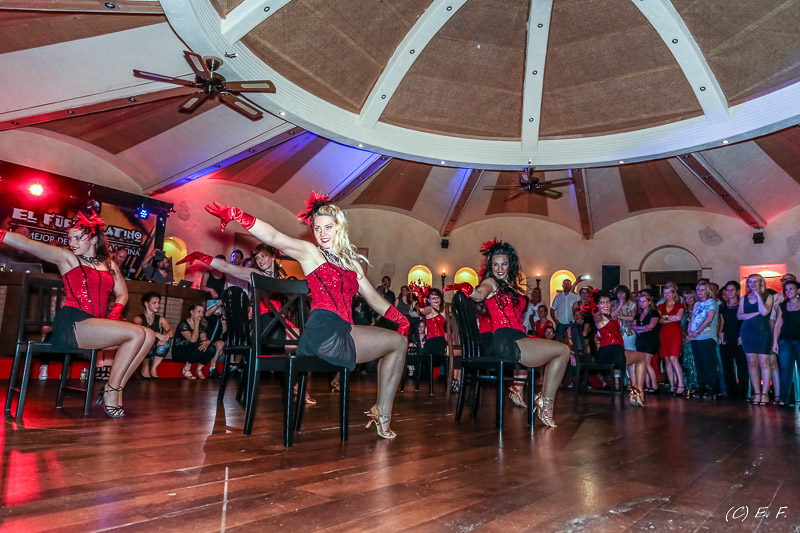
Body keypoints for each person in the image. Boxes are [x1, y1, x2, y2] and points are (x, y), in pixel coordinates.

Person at [204, 193, 409, 439]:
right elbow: (274, 237)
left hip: (345, 329)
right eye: (317, 228)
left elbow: (373, 299)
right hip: (324, 331)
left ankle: (381, 411)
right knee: (398, 343)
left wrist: (401, 318)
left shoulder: (352, 264)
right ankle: (383, 413)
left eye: (328, 227)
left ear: (339, 227)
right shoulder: (311, 253)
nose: (322, 233)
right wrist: (238, 215)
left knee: (398, 342)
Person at [0, 213, 155, 417]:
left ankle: (114, 388)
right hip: (73, 323)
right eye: (70, 238)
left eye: (78, 238)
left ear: (93, 239)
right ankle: (111, 391)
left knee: (148, 335)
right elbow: (29, 244)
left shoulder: (109, 264)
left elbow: (122, 294)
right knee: (136, 333)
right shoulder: (67, 258)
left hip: (95, 325)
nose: (72, 242)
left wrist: (115, 313)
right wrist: (2, 234)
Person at [447, 239, 569, 427]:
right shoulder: (491, 282)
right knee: (562, 351)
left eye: (503, 264)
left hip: (518, 336)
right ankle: (545, 403)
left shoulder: (510, 286)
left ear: (510, 264)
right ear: (490, 266)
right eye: (495, 265)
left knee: (562, 351)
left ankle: (543, 400)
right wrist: (469, 290)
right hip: (506, 339)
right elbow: (480, 294)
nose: (499, 269)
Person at [592, 290, 648, 405]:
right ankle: (639, 392)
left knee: (633, 362)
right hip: (610, 352)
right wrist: (595, 310)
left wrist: (620, 305)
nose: (606, 305)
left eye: (607, 302)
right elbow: (597, 316)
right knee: (641, 357)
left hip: (615, 350)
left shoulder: (609, 317)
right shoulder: (599, 317)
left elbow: (612, 315)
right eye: (602, 303)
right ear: (597, 305)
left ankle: (635, 393)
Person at [738, 274, 774, 405]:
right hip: (747, 331)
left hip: (762, 331)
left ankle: (765, 393)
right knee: (752, 362)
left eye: (756, 281)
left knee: (764, 362)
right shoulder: (744, 298)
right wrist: (756, 313)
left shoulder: (768, 296)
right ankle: (757, 392)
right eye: (750, 282)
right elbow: (739, 316)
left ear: (761, 283)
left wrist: (758, 296)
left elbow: (764, 312)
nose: (753, 284)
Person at [172, 303, 225, 379]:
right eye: (199, 311)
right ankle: (186, 369)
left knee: (211, 348)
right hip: (180, 352)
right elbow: (193, 340)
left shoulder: (201, 327)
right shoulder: (183, 324)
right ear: (191, 312)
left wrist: (207, 342)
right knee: (199, 345)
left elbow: (204, 339)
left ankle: (199, 369)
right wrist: (196, 324)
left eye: (202, 312)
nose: (201, 314)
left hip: (192, 352)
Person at [688, 280, 719, 399]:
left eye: (702, 290)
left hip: (706, 336)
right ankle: (701, 386)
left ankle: (711, 388)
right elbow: (692, 318)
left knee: (708, 363)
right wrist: (689, 330)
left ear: (708, 291)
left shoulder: (711, 302)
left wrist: (697, 331)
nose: (700, 292)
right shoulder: (697, 304)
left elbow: (709, 319)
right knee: (699, 363)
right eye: (698, 290)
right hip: (695, 338)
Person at [133, 292, 174, 379]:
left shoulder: (160, 319)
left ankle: (153, 368)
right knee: (149, 339)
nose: (157, 305)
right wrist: (157, 334)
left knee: (167, 342)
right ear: (146, 304)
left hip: (156, 347)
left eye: (158, 303)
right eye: (154, 303)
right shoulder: (138, 318)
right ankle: (145, 367)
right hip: (142, 347)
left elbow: (170, 331)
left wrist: (165, 337)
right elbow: (140, 330)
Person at [718, 281, 748, 400]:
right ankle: (731, 391)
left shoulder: (743, 304)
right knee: (727, 365)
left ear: (737, 291)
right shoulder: (722, 306)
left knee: (742, 365)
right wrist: (720, 334)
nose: (729, 292)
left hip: (740, 336)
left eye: (732, 290)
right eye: (727, 290)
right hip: (726, 336)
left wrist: (742, 335)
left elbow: (745, 321)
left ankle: (742, 392)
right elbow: (722, 321)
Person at [773, 280, 800, 406]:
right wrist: (775, 342)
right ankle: (784, 399)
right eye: (786, 289)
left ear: (798, 290)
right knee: (785, 370)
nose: (788, 291)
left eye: (791, 289)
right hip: (785, 341)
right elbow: (778, 324)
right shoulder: (782, 306)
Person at [657, 286, 685, 395]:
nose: (667, 295)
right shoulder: (660, 306)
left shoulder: (680, 305)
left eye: (669, 293)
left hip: (675, 334)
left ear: (674, 294)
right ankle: (672, 386)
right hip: (664, 334)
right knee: (667, 360)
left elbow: (678, 318)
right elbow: (659, 320)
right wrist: (671, 317)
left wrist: (665, 317)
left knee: (674, 359)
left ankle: (681, 385)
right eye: (665, 293)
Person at [632, 289, 660, 393]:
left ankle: (655, 385)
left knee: (646, 363)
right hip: (641, 340)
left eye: (644, 301)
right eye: (640, 301)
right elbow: (633, 326)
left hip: (651, 341)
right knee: (643, 363)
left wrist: (639, 329)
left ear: (649, 302)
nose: (642, 303)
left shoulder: (654, 312)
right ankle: (647, 386)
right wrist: (642, 329)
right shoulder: (639, 313)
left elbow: (650, 326)